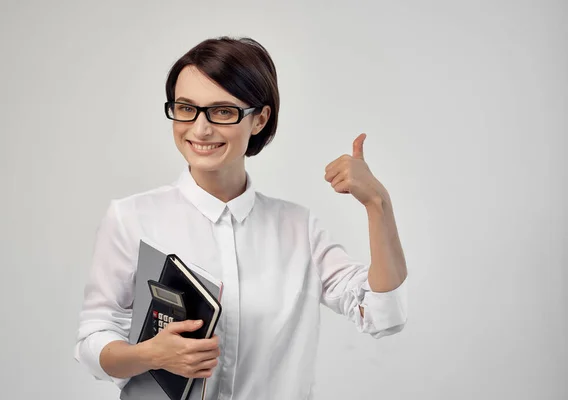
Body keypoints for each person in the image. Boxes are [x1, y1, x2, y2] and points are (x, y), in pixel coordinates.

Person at [74, 36, 408, 400]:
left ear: (260, 119)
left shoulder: (299, 229)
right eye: (186, 108)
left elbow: (383, 315)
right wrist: (147, 355)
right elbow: (95, 338)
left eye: (222, 111)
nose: (200, 129)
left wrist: (378, 204)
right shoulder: (131, 218)